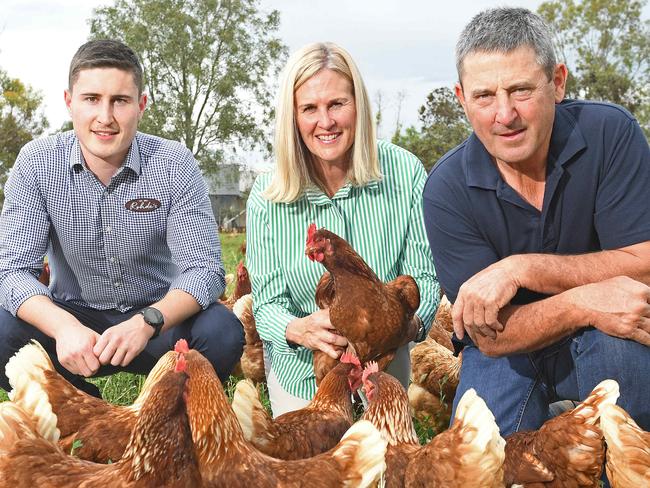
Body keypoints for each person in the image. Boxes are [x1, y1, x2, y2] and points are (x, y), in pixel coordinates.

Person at [423, 6, 650, 439]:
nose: (504, 114)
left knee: (626, 388)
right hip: (507, 348)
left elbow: (644, 262)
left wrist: (523, 268)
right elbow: (487, 335)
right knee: (477, 454)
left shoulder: (610, 134)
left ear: (557, 82)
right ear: (461, 98)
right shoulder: (446, 188)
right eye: (484, 96)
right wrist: (581, 300)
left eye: (521, 90)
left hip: (607, 332)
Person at [0, 39, 244, 397]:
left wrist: (148, 322)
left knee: (222, 331)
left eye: (120, 101)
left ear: (141, 105)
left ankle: (166, 411)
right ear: (70, 102)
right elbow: (11, 271)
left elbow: (205, 270)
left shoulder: (174, 163)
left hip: (158, 325)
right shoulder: (38, 162)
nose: (105, 117)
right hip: (74, 321)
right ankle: (84, 409)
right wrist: (64, 326)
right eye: (91, 99)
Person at [247, 42, 440, 417]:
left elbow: (425, 279)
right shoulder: (269, 193)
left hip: (381, 364)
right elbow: (266, 305)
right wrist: (300, 329)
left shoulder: (404, 172)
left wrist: (401, 327)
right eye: (309, 109)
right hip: (303, 369)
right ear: (293, 117)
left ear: (358, 105)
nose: (326, 121)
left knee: (388, 470)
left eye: (337, 104)